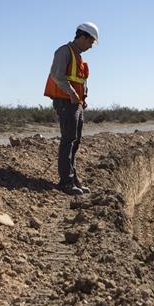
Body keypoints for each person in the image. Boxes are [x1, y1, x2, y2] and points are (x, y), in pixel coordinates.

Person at [43, 22, 99, 195]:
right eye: (90, 42)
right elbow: (57, 75)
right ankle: (66, 182)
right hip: (65, 102)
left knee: (75, 141)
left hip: (76, 103)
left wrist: (83, 97)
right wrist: (73, 93)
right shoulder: (64, 52)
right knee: (68, 140)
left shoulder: (79, 57)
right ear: (82, 37)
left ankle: (73, 178)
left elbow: (81, 81)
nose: (91, 46)